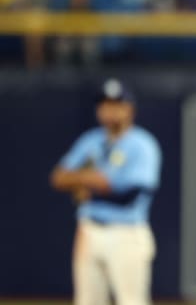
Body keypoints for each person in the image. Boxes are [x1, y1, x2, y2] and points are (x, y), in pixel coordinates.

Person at [50, 79, 162, 305]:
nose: (109, 110)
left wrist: (84, 181)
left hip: (126, 233)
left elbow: (127, 191)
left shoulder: (142, 144)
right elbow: (59, 177)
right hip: (89, 230)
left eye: (116, 104)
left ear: (129, 108)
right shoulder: (91, 140)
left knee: (131, 301)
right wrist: (89, 179)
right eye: (104, 104)